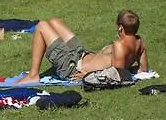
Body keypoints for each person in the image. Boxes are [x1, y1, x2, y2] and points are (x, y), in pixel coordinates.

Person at [14, 10, 148, 84]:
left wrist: (88, 75)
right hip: (82, 54)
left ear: (120, 27)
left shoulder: (119, 45)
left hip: (73, 68)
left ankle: (33, 75)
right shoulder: (139, 42)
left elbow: (116, 75)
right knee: (55, 22)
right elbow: (143, 69)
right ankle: (33, 74)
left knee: (42, 26)